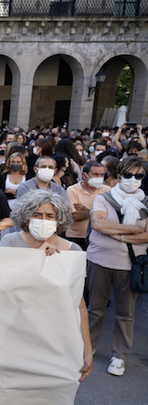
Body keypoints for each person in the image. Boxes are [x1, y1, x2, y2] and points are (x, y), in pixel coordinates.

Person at [0, 189, 93, 405]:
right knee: (7, 398)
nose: (44, 219)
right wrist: (37, 260)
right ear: (26, 216)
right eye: (37, 214)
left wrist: (86, 349)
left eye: (50, 215)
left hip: (53, 340)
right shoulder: (10, 242)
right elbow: (1, 290)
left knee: (43, 401)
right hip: (13, 337)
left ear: (60, 220)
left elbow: (78, 304)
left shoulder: (73, 252)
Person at [87, 156, 148, 377]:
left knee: (125, 313)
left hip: (130, 265)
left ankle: (119, 355)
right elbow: (97, 224)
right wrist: (132, 232)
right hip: (99, 260)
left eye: (138, 176)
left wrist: (115, 233)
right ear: (120, 175)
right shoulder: (104, 198)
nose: (133, 179)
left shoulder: (146, 203)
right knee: (95, 308)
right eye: (129, 175)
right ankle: (88, 345)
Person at [65, 161, 111, 250]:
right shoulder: (72, 190)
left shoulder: (107, 190)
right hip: (76, 236)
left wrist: (86, 210)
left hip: (99, 235)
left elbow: (110, 214)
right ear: (84, 175)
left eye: (102, 175)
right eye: (95, 174)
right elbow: (75, 215)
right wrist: (98, 212)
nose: (99, 178)